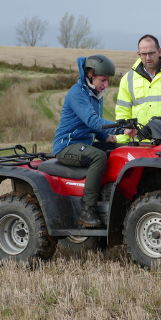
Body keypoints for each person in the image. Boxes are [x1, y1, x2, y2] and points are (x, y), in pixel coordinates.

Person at [53, 55, 120, 227]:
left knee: (118, 150)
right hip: (67, 146)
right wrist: (119, 128)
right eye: (103, 80)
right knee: (99, 157)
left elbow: (92, 127)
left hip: (84, 144)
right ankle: (88, 209)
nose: (106, 85)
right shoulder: (77, 93)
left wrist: (107, 137)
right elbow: (92, 121)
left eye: (108, 81)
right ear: (90, 75)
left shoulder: (96, 94)